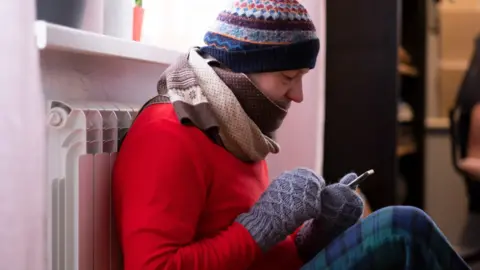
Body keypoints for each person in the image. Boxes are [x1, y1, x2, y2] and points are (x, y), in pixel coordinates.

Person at [112, 0, 470, 269]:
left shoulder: (236, 129)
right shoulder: (170, 131)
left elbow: (257, 254)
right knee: (402, 227)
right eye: (288, 77)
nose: (298, 95)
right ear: (242, 69)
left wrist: (313, 235)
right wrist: (260, 226)